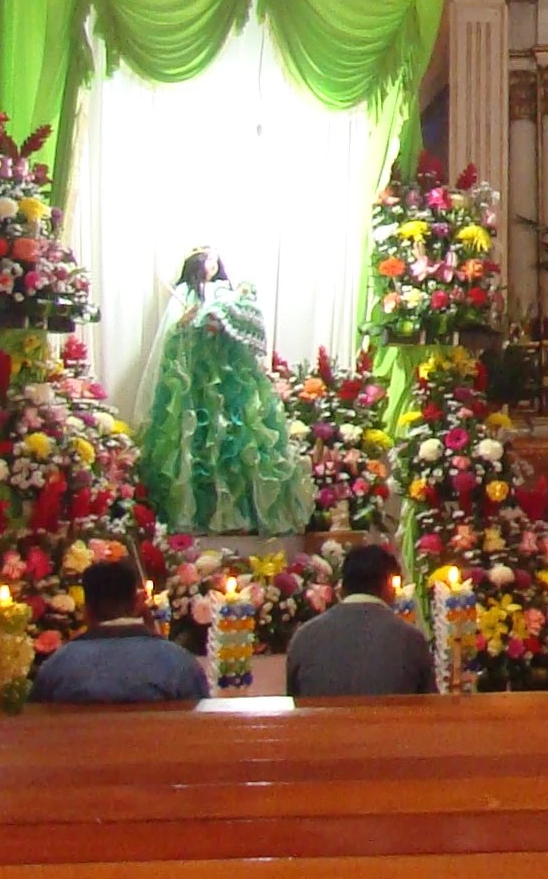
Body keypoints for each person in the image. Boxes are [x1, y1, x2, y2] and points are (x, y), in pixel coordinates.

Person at [141, 249, 312, 536]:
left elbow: (244, 329)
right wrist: (190, 324)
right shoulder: (186, 292)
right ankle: (198, 515)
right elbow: (173, 334)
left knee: (238, 444)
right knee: (195, 445)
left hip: (229, 379)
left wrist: (223, 323)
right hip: (196, 381)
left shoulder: (226, 293)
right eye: (206, 259)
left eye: (214, 260)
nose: (211, 264)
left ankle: (241, 514)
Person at [30, 556, 212, 704]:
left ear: (87, 611)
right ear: (137, 605)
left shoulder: (59, 665)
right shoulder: (177, 662)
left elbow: (36, 724)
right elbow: (201, 725)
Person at [282, 541, 437, 697]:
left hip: (321, 722)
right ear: (389, 586)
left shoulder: (305, 637)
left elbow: (293, 701)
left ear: (342, 587)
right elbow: (430, 709)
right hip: (390, 721)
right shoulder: (411, 639)